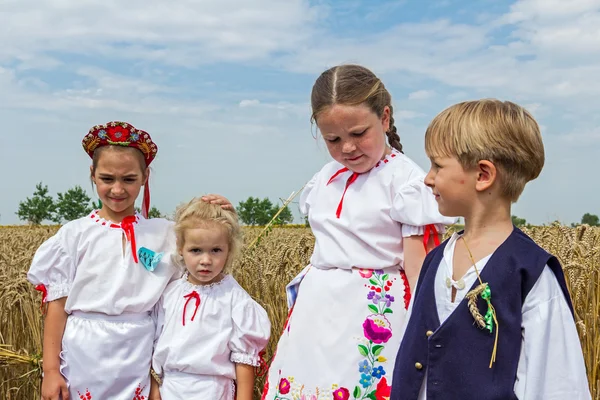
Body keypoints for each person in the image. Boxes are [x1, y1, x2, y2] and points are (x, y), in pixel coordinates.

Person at [261, 64, 455, 399]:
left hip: (373, 314)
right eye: (333, 139)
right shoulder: (326, 176)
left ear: (384, 118)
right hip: (316, 312)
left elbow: (418, 265)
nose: (347, 148)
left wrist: (428, 332)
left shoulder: (406, 181)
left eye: (358, 133)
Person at [390, 99, 592, 400]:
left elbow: (555, 384)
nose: (428, 178)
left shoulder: (530, 273)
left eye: (437, 165)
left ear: (483, 175)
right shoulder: (435, 261)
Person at [27, 121, 232, 400]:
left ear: (145, 176)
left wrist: (219, 215)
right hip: (84, 354)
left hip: (138, 352)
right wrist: (51, 371)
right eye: (107, 178)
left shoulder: (166, 234)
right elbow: (58, 305)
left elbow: (207, 266)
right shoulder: (74, 235)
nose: (117, 189)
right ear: (93, 174)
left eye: (129, 179)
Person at [149, 198, 271, 400]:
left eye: (216, 250)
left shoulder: (235, 298)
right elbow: (154, 346)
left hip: (214, 390)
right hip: (171, 389)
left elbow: (245, 360)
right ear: (180, 248)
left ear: (229, 249)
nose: (206, 260)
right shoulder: (169, 293)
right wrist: (155, 390)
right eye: (196, 250)